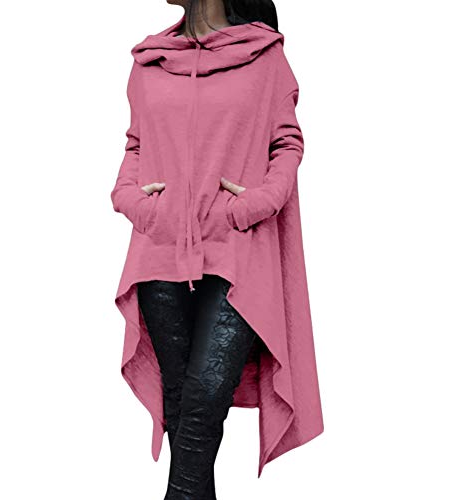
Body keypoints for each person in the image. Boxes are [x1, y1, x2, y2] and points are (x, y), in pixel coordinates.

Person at [110, 1, 324, 498]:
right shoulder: (149, 61)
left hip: (238, 253)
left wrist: (257, 203)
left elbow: (287, 143)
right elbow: (136, 144)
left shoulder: (264, 57)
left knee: (204, 401)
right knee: (181, 404)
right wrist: (129, 199)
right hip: (160, 253)